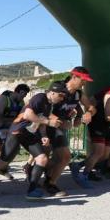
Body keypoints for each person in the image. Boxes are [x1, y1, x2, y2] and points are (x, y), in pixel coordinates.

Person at [0, 81, 68, 201]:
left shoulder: (48, 105)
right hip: (17, 131)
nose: (62, 98)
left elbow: (41, 121)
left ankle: (32, 190)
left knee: (42, 159)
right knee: (3, 162)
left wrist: (44, 135)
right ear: (52, 93)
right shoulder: (40, 98)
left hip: (28, 133)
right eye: (60, 95)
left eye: (63, 96)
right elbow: (28, 115)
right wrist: (49, 122)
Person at [42, 67, 96, 196]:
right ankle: (45, 181)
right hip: (47, 126)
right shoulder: (59, 88)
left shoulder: (78, 94)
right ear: (74, 77)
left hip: (60, 128)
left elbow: (91, 107)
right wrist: (61, 121)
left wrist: (87, 114)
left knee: (59, 158)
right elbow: (43, 109)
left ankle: (48, 182)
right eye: (83, 80)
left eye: (86, 81)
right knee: (59, 157)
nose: (84, 83)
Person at [0, 84, 30, 179]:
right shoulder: (4, 99)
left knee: (13, 150)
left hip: (10, 129)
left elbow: (21, 117)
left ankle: (2, 169)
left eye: (25, 96)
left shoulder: (21, 102)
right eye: (23, 95)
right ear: (19, 92)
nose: (24, 97)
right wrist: (12, 121)